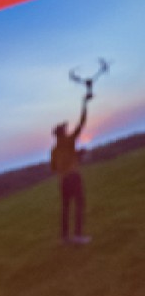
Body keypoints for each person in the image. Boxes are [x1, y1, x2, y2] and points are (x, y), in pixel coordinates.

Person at [51, 88, 91, 245]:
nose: (67, 130)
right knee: (80, 204)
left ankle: (65, 237)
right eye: (64, 129)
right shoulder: (69, 141)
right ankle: (78, 236)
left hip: (63, 181)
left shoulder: (54, 150)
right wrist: (84, 103)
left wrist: (75, 156)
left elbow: (54, 168)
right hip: (74, 177)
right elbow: (81, 123)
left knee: (66, 208)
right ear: (62, 133)